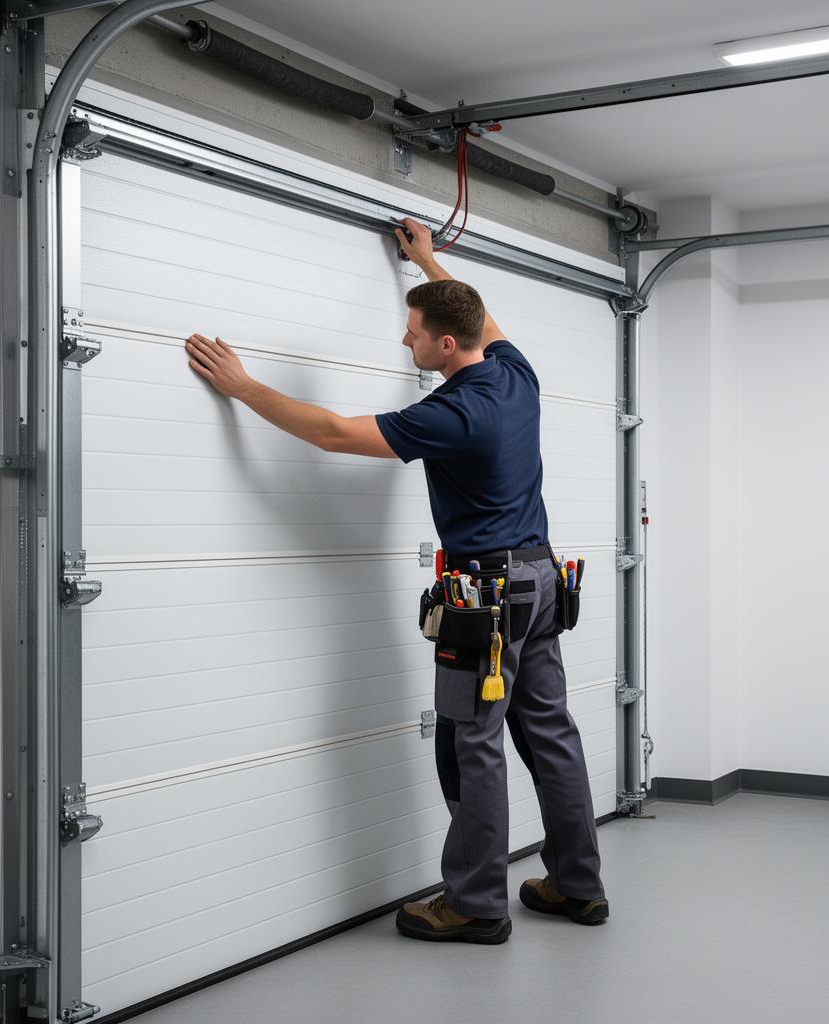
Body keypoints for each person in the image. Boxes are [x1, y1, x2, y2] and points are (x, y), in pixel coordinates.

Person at [185, 217, 607, 945]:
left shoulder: (451, 414)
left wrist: (245, 386)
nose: (403, 342)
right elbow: (477, 315)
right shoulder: (515, 374)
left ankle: (476, 904)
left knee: (472, 744)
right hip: (540, 580)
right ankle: (576, 886)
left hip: (488, 597)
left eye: (413, 332)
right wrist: (426, 261)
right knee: (552, 738)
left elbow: (330, 432)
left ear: (447, 344)